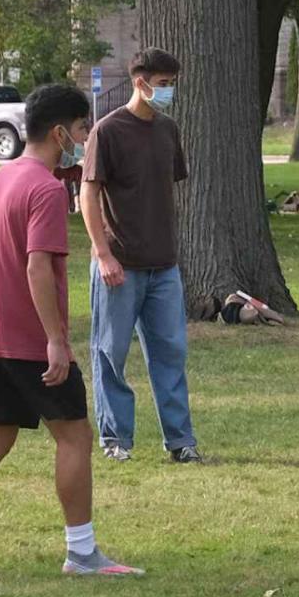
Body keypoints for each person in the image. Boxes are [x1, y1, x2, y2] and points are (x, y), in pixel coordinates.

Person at [0, 84, 143, 577]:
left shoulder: (0, 180)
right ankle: (82, 552)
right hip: (29, 343)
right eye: (83, 129)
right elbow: (37, 268)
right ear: (60, 132)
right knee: (76, 439)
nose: (87, 139)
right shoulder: (44, 189)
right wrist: (55, 341)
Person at [81, 48, 202, 465]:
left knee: (171, 353)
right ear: (140, 82)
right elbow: (88, 192)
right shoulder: (108, 131)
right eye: (163, 84)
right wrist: (103, 254)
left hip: (163, 266)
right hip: (119, 267)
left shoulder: (168, 130)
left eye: (172, 84)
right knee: (110, 353)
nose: (168, 92)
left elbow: (170, 188)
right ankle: (116, 440)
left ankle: (181, 441)